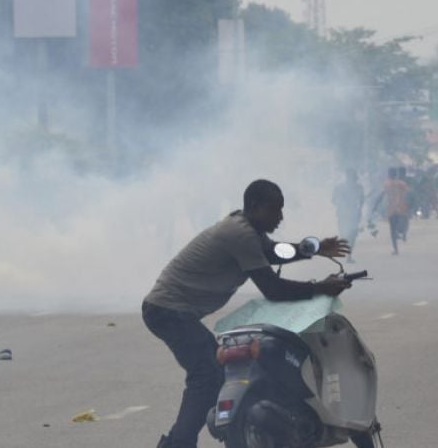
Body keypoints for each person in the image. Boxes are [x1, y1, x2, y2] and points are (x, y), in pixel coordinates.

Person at [143, 179, 351, 448]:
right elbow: (273, 288)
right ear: (255, 207)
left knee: (212, 374)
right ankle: (178, 444)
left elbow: (273, 251)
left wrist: (312, 248)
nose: (280, 217)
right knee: (208, 375)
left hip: (174, 310)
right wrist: (322, 287)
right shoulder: (240, 234)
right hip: (168, 310)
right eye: (275, 210)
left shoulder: (248, 230)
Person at [332, 169, 365, 263]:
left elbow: (362, 200)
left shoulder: (358, 187)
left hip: (352, 214)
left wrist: (358, 210)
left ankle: (348, 255)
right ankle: (346, 254)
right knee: (346, 234)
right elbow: (334, 200)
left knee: (352, 235)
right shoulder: (340, 187)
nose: (353, 178)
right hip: (345, 214)